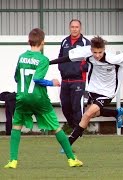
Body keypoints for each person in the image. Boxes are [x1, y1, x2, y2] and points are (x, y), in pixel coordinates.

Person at [50, 36, 123, 146]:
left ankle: (68, 143)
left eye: (100, 52)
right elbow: (67, 58)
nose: (97, 55)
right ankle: (116, 113)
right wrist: (48, 63)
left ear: (104, 50)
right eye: (95, 52)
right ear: (91, 50)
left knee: (86, 115)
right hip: (93, 89)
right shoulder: (87, 53)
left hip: (107, 92)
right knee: (93, 114)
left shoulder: (114, 59)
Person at [4, 28, 83, 169]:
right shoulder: (43, 59)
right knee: (56, 128)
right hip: (39, 98)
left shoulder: (21, 57)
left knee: (16, 127)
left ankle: (13, 161)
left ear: (29, 41)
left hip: (22, 97)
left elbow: (16, 77)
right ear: (43, 42)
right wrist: (51, 83)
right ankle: (71, 159)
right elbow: (38, 78)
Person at [58, 19, 90, 129]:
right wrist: (62, 69)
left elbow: (91, 61)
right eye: (72, 27)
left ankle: (78, 131)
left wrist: (81, 68)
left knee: (76, 107)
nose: (74, 29)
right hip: (65, 81)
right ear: (69, 28)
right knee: (65, 107)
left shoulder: (85, 42)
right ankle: (73, 128)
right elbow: (60, 58)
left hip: (78, 80)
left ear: (80, 28)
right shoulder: (64, 42)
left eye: (76, 27)